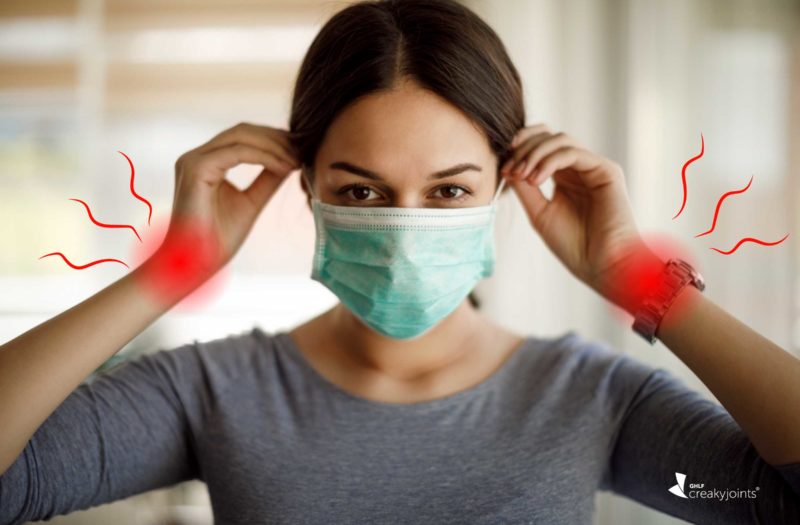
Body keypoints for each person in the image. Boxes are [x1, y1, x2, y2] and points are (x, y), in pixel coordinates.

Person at [1, 0, 799, 523]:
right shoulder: (212, 391)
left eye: (449, 191)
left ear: (504, 188)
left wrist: (643, 280)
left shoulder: (594, 397)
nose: (407, 225)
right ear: (308, 187)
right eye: (365, 192)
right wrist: (169, 271)